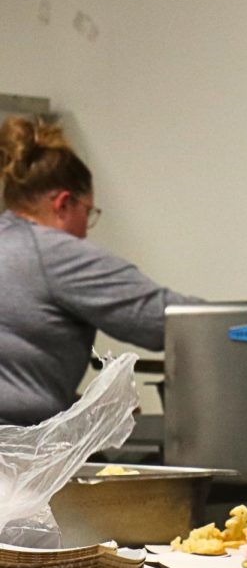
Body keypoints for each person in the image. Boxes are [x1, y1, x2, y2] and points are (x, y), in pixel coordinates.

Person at [0, 115, 200, 425]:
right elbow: (169, 321)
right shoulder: (50, 252)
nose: (86, 230)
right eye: (88, 212)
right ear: (64, 204)